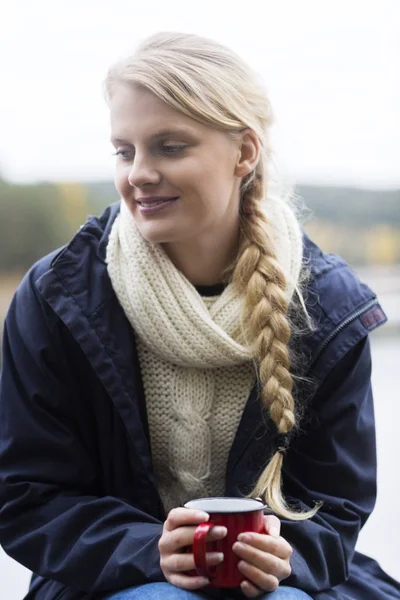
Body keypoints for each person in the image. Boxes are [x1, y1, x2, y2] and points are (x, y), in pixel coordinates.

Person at [0, 31, 399, 600]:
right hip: (108, 580)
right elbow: (28, 497)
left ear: (244, 153)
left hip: (289, 587)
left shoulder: (329, 308)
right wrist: (147, 550)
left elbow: (335, 512)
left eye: (169, 146)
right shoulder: (55, 297)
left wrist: (285, 557)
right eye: (124, 150)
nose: (138, 172)